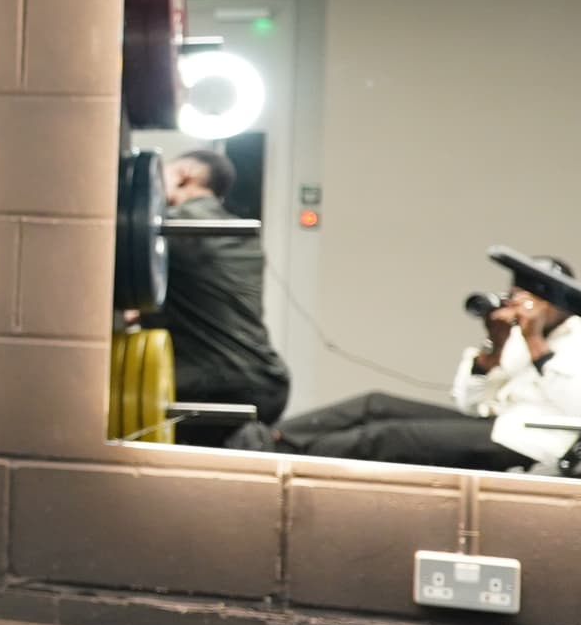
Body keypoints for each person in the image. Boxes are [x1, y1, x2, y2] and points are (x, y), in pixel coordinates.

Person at [269, 253, 581, 472]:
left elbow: (575, 407)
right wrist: (492, 349)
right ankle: (270, 439)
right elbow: (466, 403)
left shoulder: (572, 338)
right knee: (374, 404)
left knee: (389, 437)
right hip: (496, 422)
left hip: (534, 441)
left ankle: (284, 462)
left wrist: (536, 343)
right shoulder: (516, 334)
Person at [142, 147, 287, 427]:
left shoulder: (180, 227)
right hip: (267, 379)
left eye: (164, 175)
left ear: (184, 176)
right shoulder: (243, 239)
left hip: (217, 383)